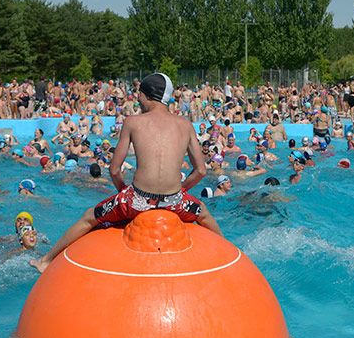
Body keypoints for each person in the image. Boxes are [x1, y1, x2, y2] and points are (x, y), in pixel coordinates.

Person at [31, 73, 218, 273]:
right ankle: (229, 256)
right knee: (205, 215)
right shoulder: (186, 125)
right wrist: (180, 190)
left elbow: (114, 169)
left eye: (139, 96)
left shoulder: (132, 122)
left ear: (147, 96)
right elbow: (200, 171)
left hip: (137, 201)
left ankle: (46, 261)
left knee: (88, 217)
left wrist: (123, 191)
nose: (138, 101)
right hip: (174, 201)